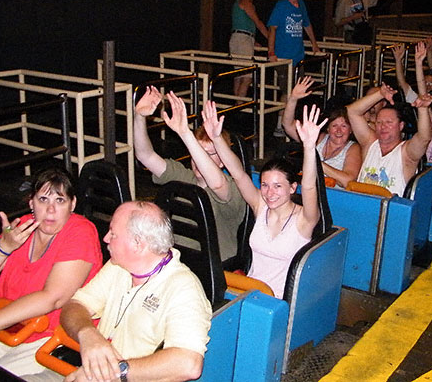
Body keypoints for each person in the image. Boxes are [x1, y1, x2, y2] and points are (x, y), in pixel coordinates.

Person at [0, 167, 103, 378]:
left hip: (49, 338)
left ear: (73, 204)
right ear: (31, 203)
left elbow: (52, 298)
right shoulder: (21, 228)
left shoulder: (81, 232)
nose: (50, 210)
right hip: (7, 328)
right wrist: (2, 247)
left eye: (60, 201)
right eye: (43, 200)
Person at [58, 201, 212, 382]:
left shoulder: (183, 288)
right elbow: (74, 306)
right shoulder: (119, 266)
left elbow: (188, 364)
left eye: (113, 234)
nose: (106, 238)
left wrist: (115, 372)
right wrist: (88, 335)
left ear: (137, 244)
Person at [202, 99, 326, 299]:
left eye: (278, 186)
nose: (270, 193)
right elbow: (239, 175)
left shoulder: (305, 219)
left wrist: (310, 147)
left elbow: (310, 186)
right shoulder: (260, 206)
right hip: (248, 293)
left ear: (293, 188)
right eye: (265, 185)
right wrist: (217, 139)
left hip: (278, 301)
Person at [133, 87, 246, 262]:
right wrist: (140, 118)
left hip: (214, 268)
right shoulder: (182, 175)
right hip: (176, 261)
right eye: (198, 152)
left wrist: (185, 133)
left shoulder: (233, 188)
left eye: (210, 154)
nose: (199, 159)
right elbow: (144, 155)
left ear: (223, 160)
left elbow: (217, 184)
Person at [346, 83, 432, 196]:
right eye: (379, 122)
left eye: (389, 122)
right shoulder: (369, 144)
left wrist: (423, 109)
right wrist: (379, 94)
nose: (383, 126)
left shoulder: (406, 153)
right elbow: (352, 112)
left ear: (401, 126)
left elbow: (424, 138)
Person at [282, 76, 361, 188]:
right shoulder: (317, 138)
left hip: (332, 197)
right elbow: (288, 125)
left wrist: (317, 163)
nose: (339, 130)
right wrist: (293, 99)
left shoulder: (353, 148)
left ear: (351, 130)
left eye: (344, 126)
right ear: (328, 128)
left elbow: (348, 181)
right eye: (334, 125)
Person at [267, 0, 320, 137]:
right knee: (288, 92)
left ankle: (289, 123)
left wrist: (314, 45)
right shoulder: (281, 6)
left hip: (298, 56)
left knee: (297, 91)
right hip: (283, 56)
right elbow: (272, 28)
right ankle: (280, 125)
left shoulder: (301, 5)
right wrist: (271, 52)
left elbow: (307, 25)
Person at [229, 0, 270, 97]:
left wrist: (252, 40)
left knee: (239, 74)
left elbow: (244, 25)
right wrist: (272, 40)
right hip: (242, 39)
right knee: (247, 76)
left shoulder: (241, 1)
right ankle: (240, 106)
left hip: (240, 38)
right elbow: (258, 22)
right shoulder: (245, 1)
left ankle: (237, 106)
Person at [334, 0, 399, 44]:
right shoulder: (344, 0)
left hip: (364, 32)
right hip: (351, 34)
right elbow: (338, 22)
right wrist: (353, 17)